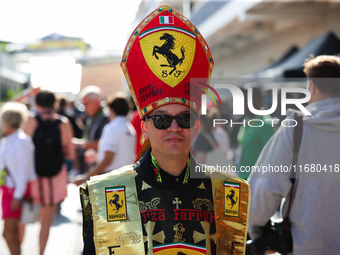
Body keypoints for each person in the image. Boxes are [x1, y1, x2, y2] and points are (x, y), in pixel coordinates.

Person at [80, 5, 250, 255]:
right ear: (144, 128)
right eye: (161, 120)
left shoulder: (229, 193)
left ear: (196, 126)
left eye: (185, 118)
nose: (174, 127)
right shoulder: (107, 194)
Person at [248, 55, 340, 255]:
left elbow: (262, 191)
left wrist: (258, 234)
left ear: (312, 86)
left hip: (305, 248)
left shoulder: (296, 129)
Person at [23, 91, 75, 255]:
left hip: (32, 178)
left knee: (22, 217)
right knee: (46, 222)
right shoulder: (62, 122)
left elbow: (23, 152)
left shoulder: (30, 121)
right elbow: (71, 154)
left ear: (36, 103)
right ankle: (40, 252)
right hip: (55, 176)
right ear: (54, 103)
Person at [72, 94, 136, 185]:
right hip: (126, 178)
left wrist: (86, 177)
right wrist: (98, 157)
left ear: (111, 110)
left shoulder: (111, 128)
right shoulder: (130, 128)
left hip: (112, 180)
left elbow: (108, 159)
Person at [0, 102, 36, 255]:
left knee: (8, 233)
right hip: (8, 189)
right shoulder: (7, 139)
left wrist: (18, 196)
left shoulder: (22, 141)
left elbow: (24, 171)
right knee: (12, 232)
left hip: (16, 191)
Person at [234, 87, 275, 180]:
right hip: (242, 178)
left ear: (257, 100)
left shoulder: (266, 123)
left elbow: (270, 158)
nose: (242, 102)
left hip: (256, 182)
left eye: (246, 98)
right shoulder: (247, 119)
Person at [73, 86, 109, 174]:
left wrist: (81, 144)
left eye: (86, 104)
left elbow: (104, 144)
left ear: (96, 102)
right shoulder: (91, 118)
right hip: (89, 168)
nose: (84, 108)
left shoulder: (106, 118)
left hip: (101, 170)